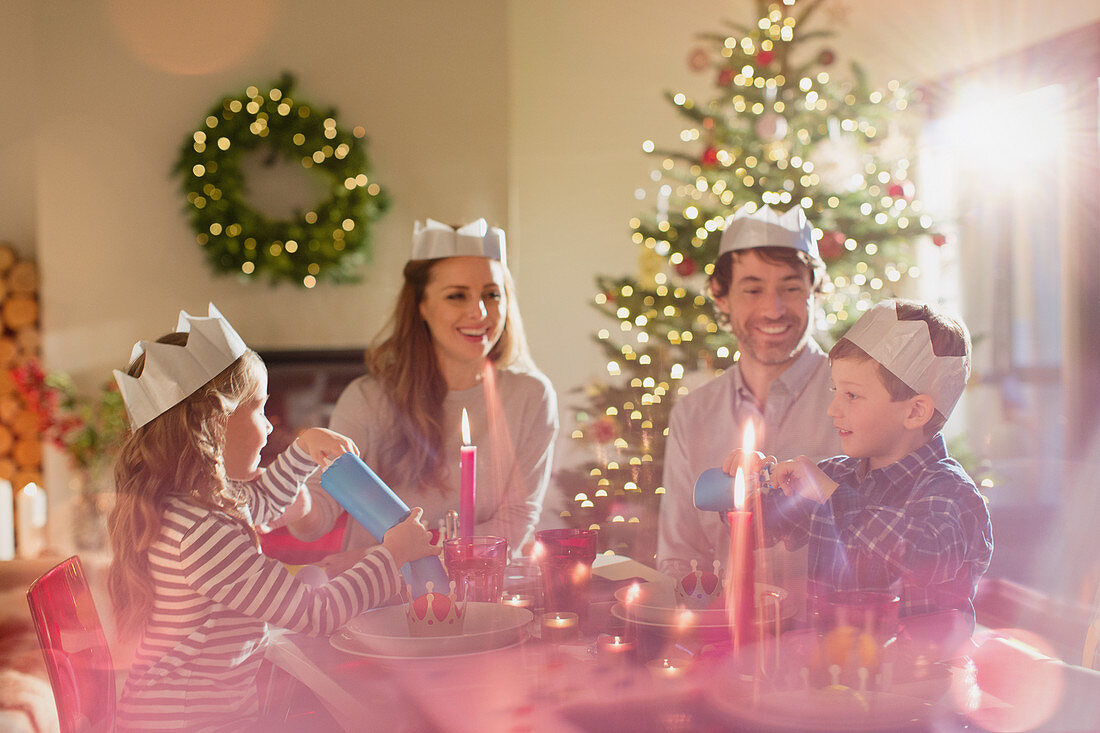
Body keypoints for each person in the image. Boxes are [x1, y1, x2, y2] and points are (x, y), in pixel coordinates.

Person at [107, 304, 438, 732]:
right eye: (260, 410)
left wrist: (304, 451)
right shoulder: (204, 535)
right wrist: (391, 555)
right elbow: (318, 615)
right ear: (215, 424)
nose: (269, 425)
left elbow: (260, 501)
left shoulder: (189, 504)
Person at [282, 219, 558, 558]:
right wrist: (287, 480)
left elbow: (515, 521)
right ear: (421, 307)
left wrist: (422, 557)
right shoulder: (368, 399)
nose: (479, 311)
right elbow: (314, 521)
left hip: (475, 589)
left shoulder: (531, 396)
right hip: (376, 595)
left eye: (492, 294)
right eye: (457, 295)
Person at [723, 299, 994, 623]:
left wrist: (829, 496)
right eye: (836, 390)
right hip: (835, 663)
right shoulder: (837, 475)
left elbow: (921, 557)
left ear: (915, 411)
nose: (833, 409)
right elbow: (761, 530)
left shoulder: (950, 494)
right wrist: (747, 485)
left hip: (922, 671)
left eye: (851, 395)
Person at [657, 205, 840, 615]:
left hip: (833, 641)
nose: (774, 309)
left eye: (792, 288)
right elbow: (679, 556)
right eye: (753, 289)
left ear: (816, 291)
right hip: (719, 641)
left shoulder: (860, 399)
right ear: (721, 297)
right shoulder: (693, 414)